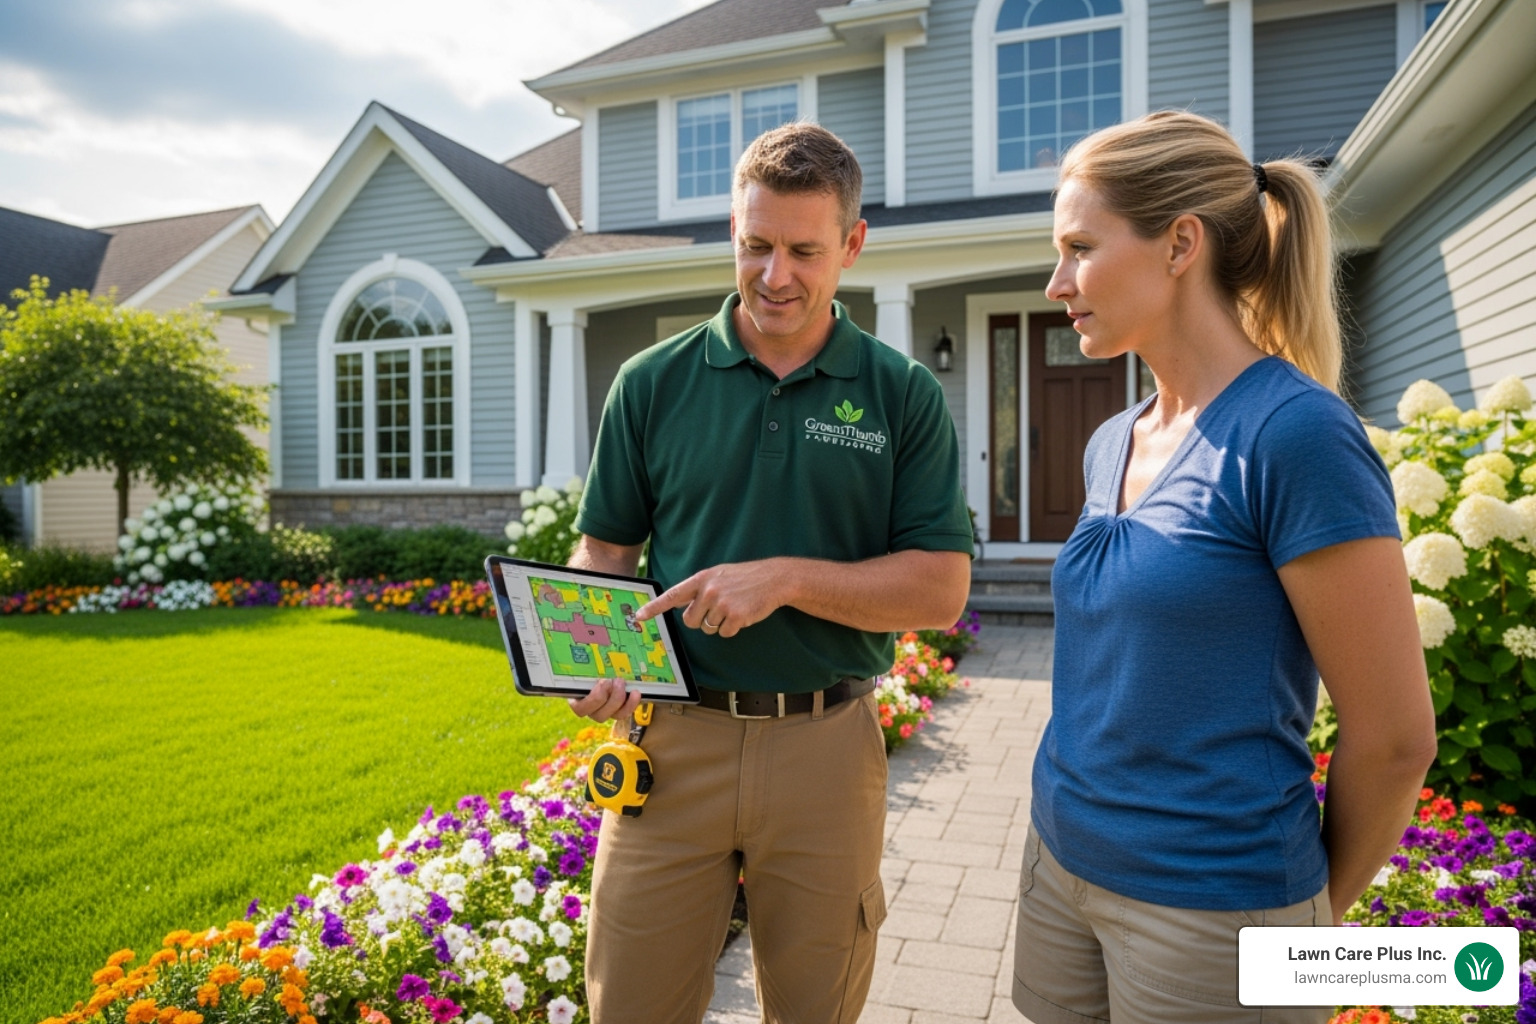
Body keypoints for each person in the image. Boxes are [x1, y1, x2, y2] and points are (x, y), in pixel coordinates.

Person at [1012, 110, 1438, 1024]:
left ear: (1180, 245)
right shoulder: (1112, 440)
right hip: (1059, 865)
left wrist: (1307, 924)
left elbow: (1396, 738)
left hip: (1212, 912)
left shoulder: (1297, 436)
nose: (1057, 283)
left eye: (1080, 248)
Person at [565, 121, 973, 1024]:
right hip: (669, 745)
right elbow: (605, 550)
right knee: (628, 1006)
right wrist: (591, 647)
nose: (774, 274)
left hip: (826, 748)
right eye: (755, 245)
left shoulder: (902, 394)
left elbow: (941, 590)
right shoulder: (651, 381)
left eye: (803, 250)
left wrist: (784, 578)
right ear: (733, 233)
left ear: (852, 245)